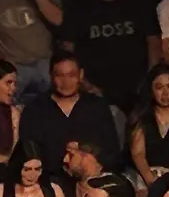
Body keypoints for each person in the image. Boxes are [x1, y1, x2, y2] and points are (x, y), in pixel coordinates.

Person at [60, 0, 162, 114]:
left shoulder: (140, 4)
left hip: (136, 91)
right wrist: (84, 84)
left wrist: (149, 83)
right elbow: (67, 51)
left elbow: (154, 45)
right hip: (92, 91)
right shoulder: (79, 6)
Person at [20, 52, 121, 181]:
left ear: (81, 75)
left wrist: (83, 152)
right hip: (49, 182)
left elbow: (112, 151)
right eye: (59, 75)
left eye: (71, 75)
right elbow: (29, 153)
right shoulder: (35, 109)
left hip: (93, 180)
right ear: (51, 76)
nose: (66, 82)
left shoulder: (97, 106)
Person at [0, 145, 67, 197]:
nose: (32, 175)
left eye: (37, 169)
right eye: (27, 169)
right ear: (17, 168)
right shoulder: (1, 191)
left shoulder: (54, 190)